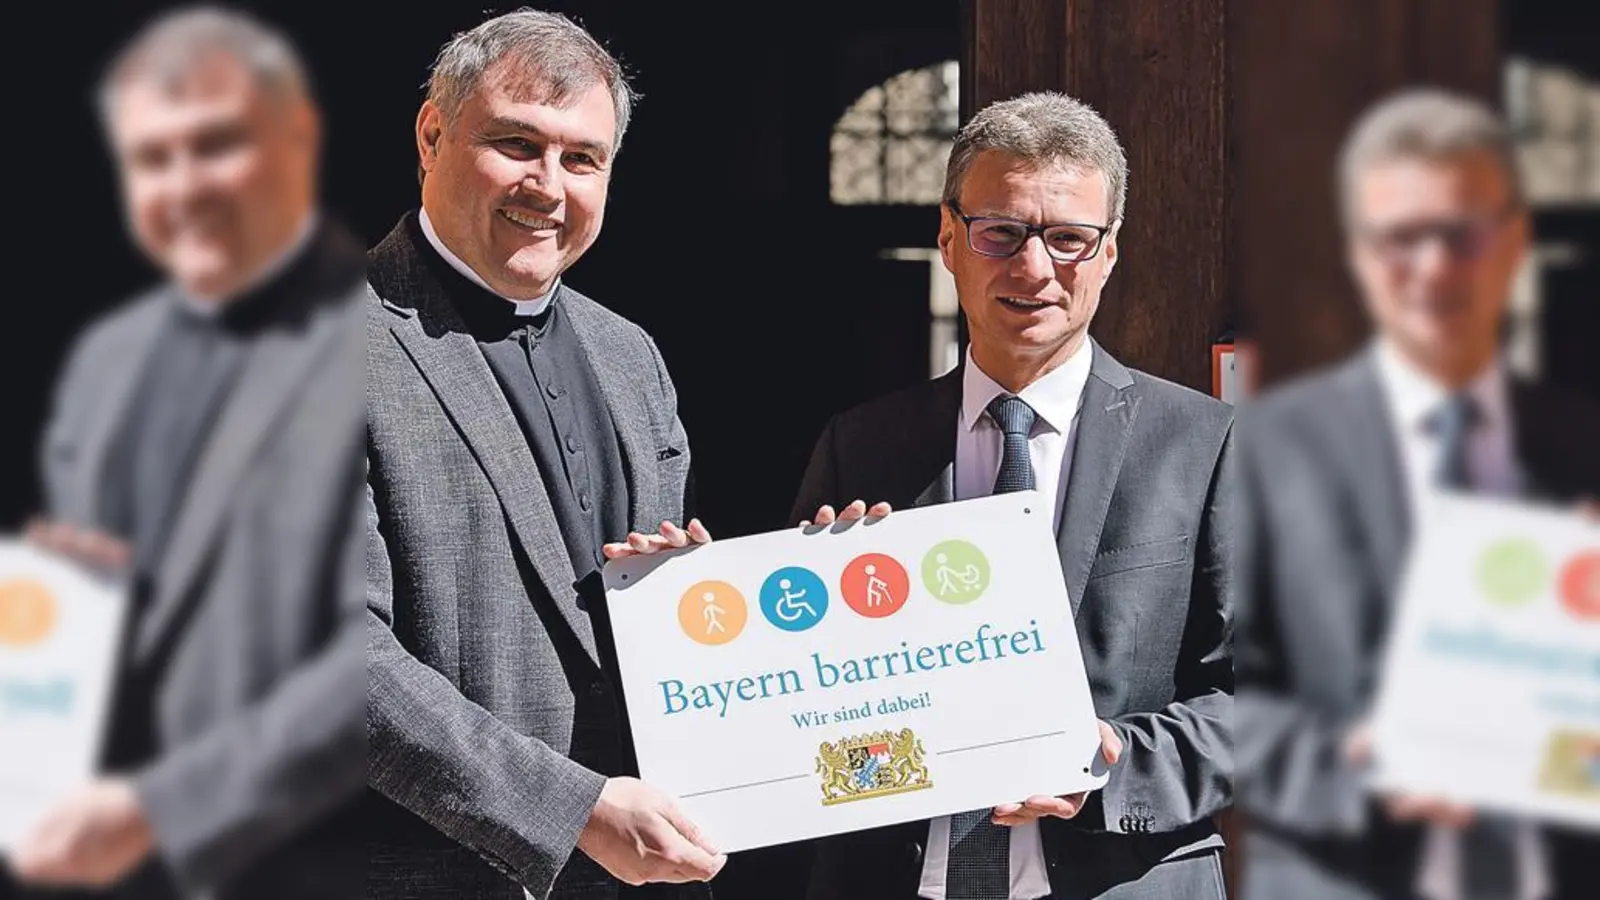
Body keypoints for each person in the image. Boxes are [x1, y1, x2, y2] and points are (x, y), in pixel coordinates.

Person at [792, 91, 1235, 900]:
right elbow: (798, 715)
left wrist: (1112, 764)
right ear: (949, 240)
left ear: (1108, 256)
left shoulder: (1204, 444)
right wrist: (825, 638)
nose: (1034, 269)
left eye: (1069, 239)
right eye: (1001, 233)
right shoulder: (860, 448)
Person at [6, 7, 366, 899]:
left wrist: (155, 812)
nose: (182, 188)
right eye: (150, 159)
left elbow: (382, 662)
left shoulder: (397, 341)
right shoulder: (107, 356)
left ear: (298, 140)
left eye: (214, 147)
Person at [363, 9, 720, 899]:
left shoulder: (630, 355)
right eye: (517, 144)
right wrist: (573, 812)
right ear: (432, 133)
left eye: (582, 158)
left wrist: (721, 605)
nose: (548, 186)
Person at [1234, 88, 1600, 900]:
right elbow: (1220, 696)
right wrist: (1355, 769)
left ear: (1516, 241)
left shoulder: (1586, 451)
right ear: (1359, 256)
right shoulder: (1269, 451)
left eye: (1461, 235)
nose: (1433, 268)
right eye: (1401, 238)